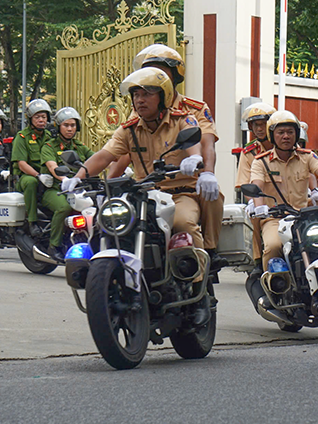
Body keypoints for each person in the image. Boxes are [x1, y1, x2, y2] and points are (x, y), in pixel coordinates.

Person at [63, 67, 212, 325]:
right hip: (144, 195)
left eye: (147, 94)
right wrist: (78, 177)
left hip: (180, 193)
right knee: (103, 223)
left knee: (184, 224)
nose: (140, 100)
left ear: (163, 97)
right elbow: (105, 156)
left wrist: (195, 159)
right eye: (136, 95)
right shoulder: (129, 129)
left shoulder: (183, 120)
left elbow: (193, 146)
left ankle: (200, 293)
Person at [245, 110, 318, 311]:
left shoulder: (307, 157)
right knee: (272, 246)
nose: (286, 136)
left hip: (305, 216)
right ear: (272, 135)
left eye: (290, 132)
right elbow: (257, 184)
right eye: (281, 132)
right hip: (275, 218)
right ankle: (275, 289)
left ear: (296, 134)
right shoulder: (261, 161)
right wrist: (258, 204)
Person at [130, 44, 226, 271]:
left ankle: (208, 252)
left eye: (160, 70)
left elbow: (207, 142)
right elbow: (123, 148)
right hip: (148, 189)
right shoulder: (138, 109)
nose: (153, 75)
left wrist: (207, 172)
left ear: (174, 76)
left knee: (210, 195)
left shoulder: (193, 109)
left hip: (184, 187)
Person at [40, 107, 94, 262]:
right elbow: (52, 166)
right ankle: (53, 245)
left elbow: (96, 159)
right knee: (64, 207)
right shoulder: (49, 146)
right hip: (55, 189)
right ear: (58, 127)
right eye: (66, 125)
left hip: (78, 190)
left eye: (73, 125)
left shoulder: (79, 146)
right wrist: (64, 179)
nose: (70, 129)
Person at [235, 101, 277, 275]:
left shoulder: (286, 145)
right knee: (256, 218)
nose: (259, 129)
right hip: (264, 205)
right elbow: (245, 184)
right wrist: (254, 203)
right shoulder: (249, 153)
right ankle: (259, 261)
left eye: (262, 124)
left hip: (292, 200)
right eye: (255, 125)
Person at [12, 98, 52, 238]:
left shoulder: (49, 137)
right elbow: (22, 164)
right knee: (31, 182)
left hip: (46, 175)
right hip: (26, 176)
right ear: (30, 119)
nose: (41, 120)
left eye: (44, 117)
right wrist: (38, 176)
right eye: (37, 117)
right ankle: (32, 221)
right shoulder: (22, 137)